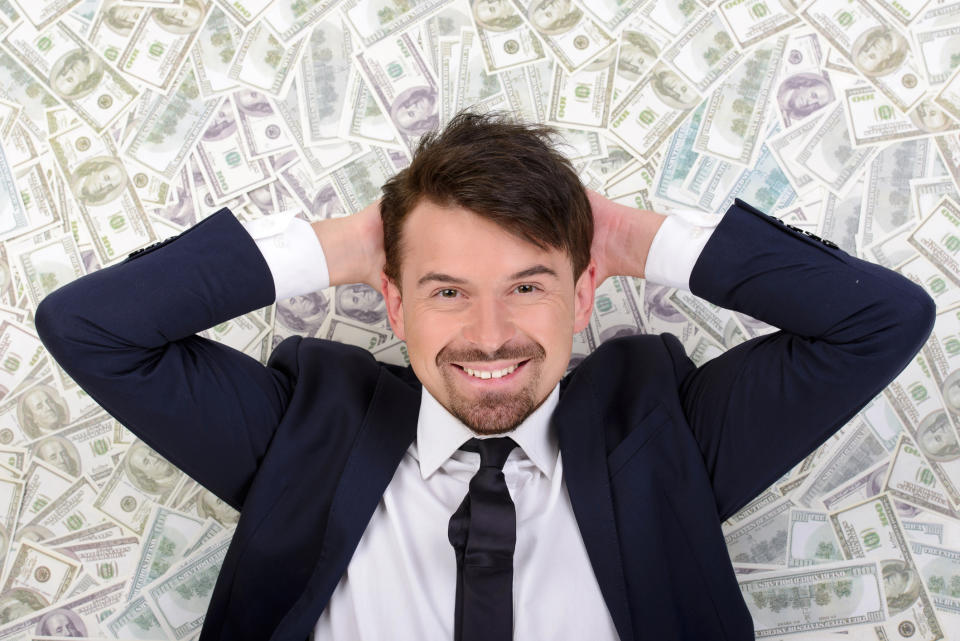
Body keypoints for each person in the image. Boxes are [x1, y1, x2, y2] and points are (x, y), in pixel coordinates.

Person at [35, 111, 935, 640]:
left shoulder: (661, 429)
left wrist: (622, 236)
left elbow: (881, 318)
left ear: (584, 293)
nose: (490, 333)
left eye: (529, 284)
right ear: (393, 303)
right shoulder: (305, 428)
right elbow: (90, 326)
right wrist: (362, 240)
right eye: (448, 290)